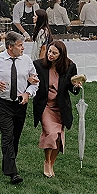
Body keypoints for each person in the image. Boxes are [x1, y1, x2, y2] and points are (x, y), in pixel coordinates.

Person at [0, 31, 39, 184]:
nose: (23, 49)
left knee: (15, 137)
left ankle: (7, 162)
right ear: (10, 46)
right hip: (2, 104)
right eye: (20, 46)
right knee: (8, 135)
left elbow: (35, 81)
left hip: (20, 104)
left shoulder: (26, 61)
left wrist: (28, 93)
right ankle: (13, 172)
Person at [33, 40, 83, 177]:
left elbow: (72, 90)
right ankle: (46, 161)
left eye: (54, 53)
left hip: (60, 107)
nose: (50, 55)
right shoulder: (38, 65)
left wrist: (76, 86)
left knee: (59, 137)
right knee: (51, 133)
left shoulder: (70, 67)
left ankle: (51, 163)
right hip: (45, 106)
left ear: (61, 55)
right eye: (49, 51)